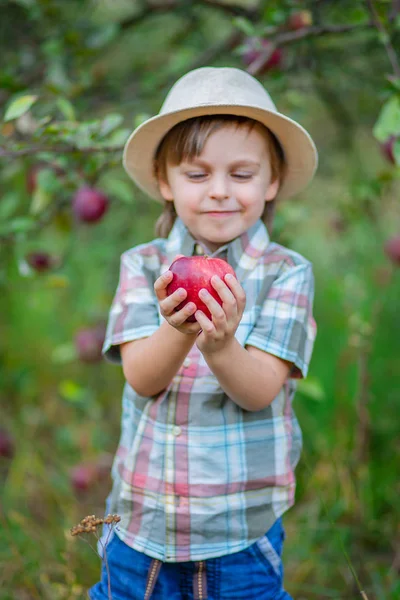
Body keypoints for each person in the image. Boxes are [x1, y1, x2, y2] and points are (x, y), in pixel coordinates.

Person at [88, 66, 318, 600]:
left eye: (241, 174)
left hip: (237, 533)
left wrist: (219, 344)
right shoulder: (143, 267)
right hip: (141, 526)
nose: (219, 192)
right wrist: (179, 328)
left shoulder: (287, 272)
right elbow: (142, 378)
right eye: (197, 175)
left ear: (272, 181)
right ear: (165, 181)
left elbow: (260, 389)